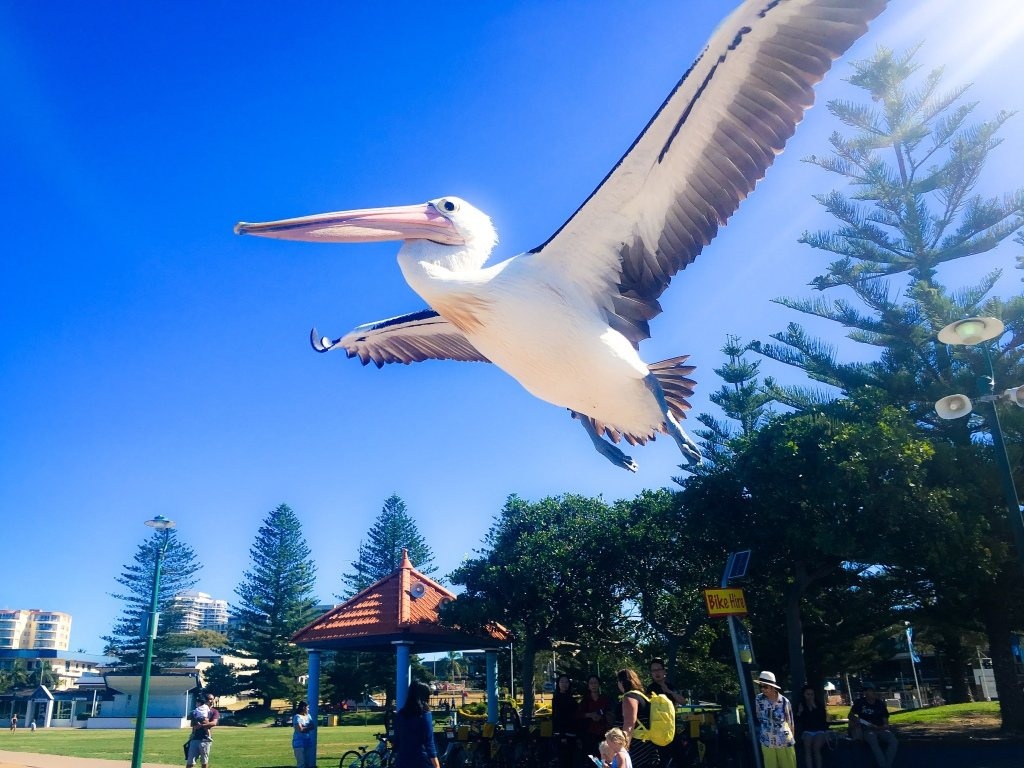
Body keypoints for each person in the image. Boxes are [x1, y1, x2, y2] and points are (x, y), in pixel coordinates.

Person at [616, 668, 658, 768]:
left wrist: (624, 748)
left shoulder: (629, 697)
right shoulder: (642, 697)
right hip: (647, 745)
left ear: (622, 682)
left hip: (637, 747)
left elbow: (629, 723)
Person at [647, 659, 685, 768]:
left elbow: (682, 701)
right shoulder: (651, 688)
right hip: (659, 729)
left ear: (664, 671)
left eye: (659, 669)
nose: (656, 673)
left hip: (672, 727)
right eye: (653, 670)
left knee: (680, 757)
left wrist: (669, 691)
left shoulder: (670, 686)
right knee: (663, 760)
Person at [849, 683, 897, 768]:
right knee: (873, 741)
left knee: (893, 741)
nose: (868, 693)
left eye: (870, 691)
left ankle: (887, 765)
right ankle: (883, 765)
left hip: (880, 728)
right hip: (866, 729)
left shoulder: (880, 704)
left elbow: (886, 723)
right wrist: (858, 720)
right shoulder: (860, 702)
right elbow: (850, 715)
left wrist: (879, 727)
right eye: (866, 691)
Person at [753, 671, 795, 768]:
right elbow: (759, 716)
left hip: (784, 741)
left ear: (773, 687)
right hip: (767, 740)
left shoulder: (784, 701)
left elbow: (790, 722)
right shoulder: (758, 699)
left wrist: (791, 740)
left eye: (765, 686)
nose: (763, 689)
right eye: (761, 686)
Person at [394, 681, 440, 768]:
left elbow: (396, 740)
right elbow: (429, 742)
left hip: (402, 759)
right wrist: (436, 764)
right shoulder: (425, 715)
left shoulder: (401, 714)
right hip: (421, 760)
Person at [794, 685, 828, 768]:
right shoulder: (801, 705)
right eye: (807, 694)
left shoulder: (819, 705)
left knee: (816, 748)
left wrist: (814, 707)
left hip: (819, 730)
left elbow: (822, 719)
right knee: (807, 749)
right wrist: (799, 712)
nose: (810, 696)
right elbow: (797, 721)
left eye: (811, 694)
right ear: (804, 695)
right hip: (807, 730)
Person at [580, 675, 612, 761]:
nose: (593, 685)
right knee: (592, 758)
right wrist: (590, 715)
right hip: (590, 733)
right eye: (591, 683)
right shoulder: (585, 700)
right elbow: (579, 714)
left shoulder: (605, 699)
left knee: (605, 757)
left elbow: (610, 713)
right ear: (588, 686)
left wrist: (602, 716)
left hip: (604, 732)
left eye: (595, 683)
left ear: (599, 684)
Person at [551, 674, 579, 768]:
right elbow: (557, 716)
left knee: (571, 760)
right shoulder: (557, 698)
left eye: (566, 682)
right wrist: (562, 734)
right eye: (562, 682)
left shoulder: (571, 698)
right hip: (561, 733)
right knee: (563, 760)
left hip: (572, 733)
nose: (564, 684)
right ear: (558, 684)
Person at [186, 693, 219, 768]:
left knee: (204, 762)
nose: (212, 701)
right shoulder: (197, 710)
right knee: (190, 761)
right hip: (194, 738)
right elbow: (192, 724)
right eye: (210, 699)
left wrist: (202, 725)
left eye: (213, 699)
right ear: (205, 700)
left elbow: (214, 723)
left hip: (205, 739)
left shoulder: (214, 711)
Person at [292, 701, 316, 768]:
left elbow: (313, 726)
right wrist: (307, 727)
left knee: (307, 763)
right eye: (307, 707)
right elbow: (300, 729)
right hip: (298, 743)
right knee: (301, 764)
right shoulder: (297, 717)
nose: (308, 709)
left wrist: (304, 727)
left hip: (307, 741)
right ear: (303, 707)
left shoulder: (308, 716)